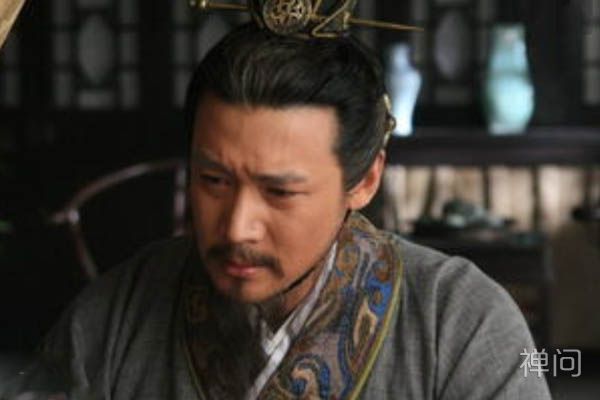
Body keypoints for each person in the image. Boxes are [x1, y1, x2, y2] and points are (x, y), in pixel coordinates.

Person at [2, 13, 551, 400]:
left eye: (280, 192)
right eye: (213, 180)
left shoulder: (461, 322)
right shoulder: (115, 315)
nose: (237, 227)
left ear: (364, 180)